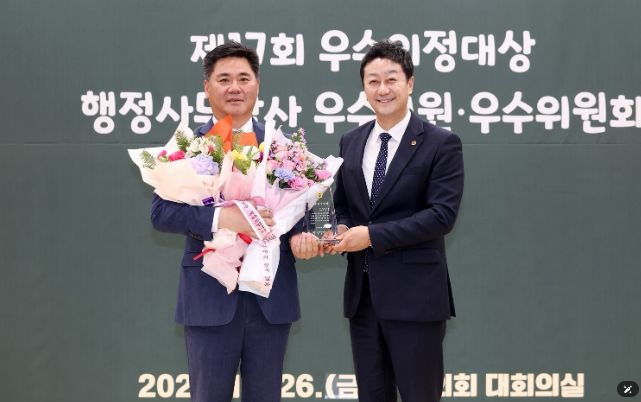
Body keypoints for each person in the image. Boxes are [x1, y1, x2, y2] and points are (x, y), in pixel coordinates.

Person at [151, 41, 319, 402]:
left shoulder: (282, 147)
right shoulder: (188, 145)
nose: (234, 87)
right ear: (207, 86)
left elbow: (303, 209)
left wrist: (303, 235)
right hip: (209, 297)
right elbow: (161, 212)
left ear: (257, 84)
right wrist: (221, 218)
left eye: (244, 78)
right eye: (224, 79)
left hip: (270, 298)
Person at [330, 40, 465, 402]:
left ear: (410, 83)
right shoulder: (350, 141)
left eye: (391, 79)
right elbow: (343, 205)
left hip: (416, 299)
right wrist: (341, 228)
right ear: (364, 88)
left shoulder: (440, 143)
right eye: (373, 81)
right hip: (363, 299)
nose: (382, 89)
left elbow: (441, 215)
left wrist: (372, 236)